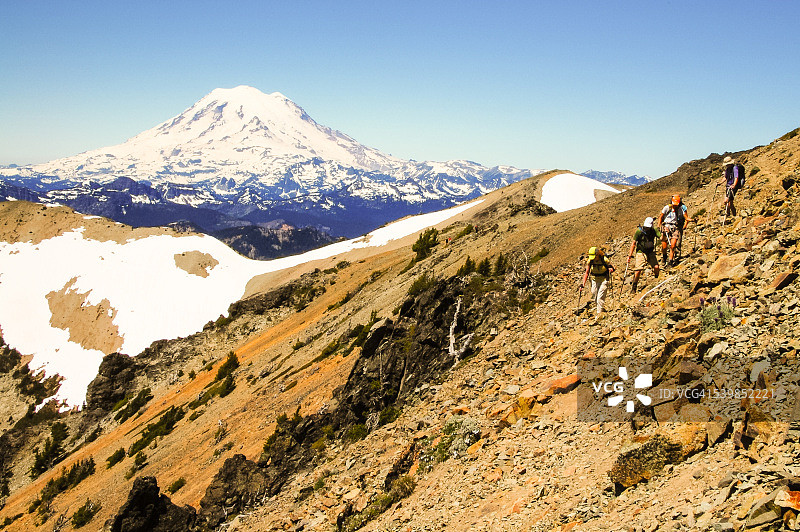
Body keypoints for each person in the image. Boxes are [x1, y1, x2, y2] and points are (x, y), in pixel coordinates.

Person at [626, 217, 660, 293]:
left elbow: (661, 237)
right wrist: (629, 255)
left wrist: (664, 232)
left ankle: (656, 280)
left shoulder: (654, 231)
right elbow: (633, 243)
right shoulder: (639, 231)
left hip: (650, 252)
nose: (647, 228)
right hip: (641, 252)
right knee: (638, 270)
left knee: (656, 267)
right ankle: (634, 287)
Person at [658, 194, 693, 266]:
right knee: (664, 246)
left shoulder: (681, 209)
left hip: (675, 227)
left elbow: (686, 217)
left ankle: (670, 261)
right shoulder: (667, 208)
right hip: (666, 226)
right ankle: (664, 257)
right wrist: (659, 225)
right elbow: (661, 217)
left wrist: (692, 220)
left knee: (673, 245)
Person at [581, 246, 615, 317]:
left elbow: (612, 267)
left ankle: (599, 314)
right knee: (594, 294)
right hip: (594, 279)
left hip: (604, 279)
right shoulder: (590, 261)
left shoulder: (604, 259)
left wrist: (611, 269)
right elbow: (587, 272)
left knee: (600, 297)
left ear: (597, 254)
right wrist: (582, 284)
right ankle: (600, 309)